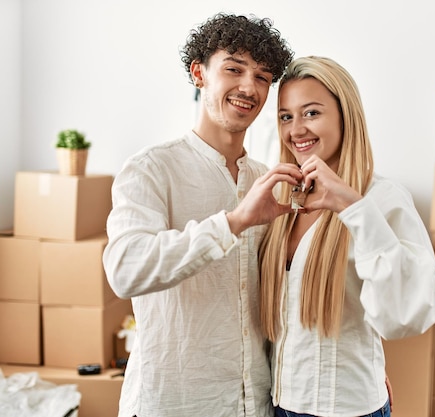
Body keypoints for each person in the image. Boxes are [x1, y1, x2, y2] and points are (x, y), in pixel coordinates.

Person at [102, 13, 298, 417]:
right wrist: (234, 222)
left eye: (263, 76)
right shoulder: (151, 169)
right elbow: (125, 270)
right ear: (199, 73)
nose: (249, 87)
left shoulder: (268, 180)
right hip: (174, 402)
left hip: (254, 404)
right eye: (234, 69)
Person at [258, 56, 435, 417]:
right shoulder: (283, 200)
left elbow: (407, 311)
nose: (296, 129)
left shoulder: (383, 198)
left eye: (311, 113)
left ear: (346, 115)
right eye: (286, 116)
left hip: (344, 409)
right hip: (279, 403)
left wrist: (352, 206)